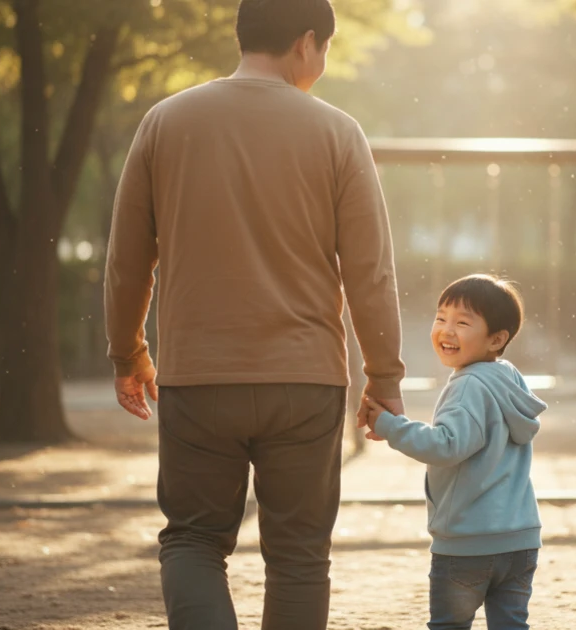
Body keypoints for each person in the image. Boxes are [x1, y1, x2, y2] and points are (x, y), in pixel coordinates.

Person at [102, 0, 406, 627]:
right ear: (305, 43)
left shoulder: (165, 122)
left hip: (198, 378)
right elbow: (369, 271)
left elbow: (128, 261)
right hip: (306, 381)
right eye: (325, 48)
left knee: (192, 541)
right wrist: (384, 378)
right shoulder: (337, 132)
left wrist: (127, 353)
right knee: (298, 557)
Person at [362, 274, 546, 630]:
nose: (447, 330)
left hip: (468, 542)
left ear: (497, 339)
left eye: (462, 323)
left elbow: (446, 445)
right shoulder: (508, 378)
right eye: (441, 317)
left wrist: (390, 425)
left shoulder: (468, 385)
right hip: (520, 540)